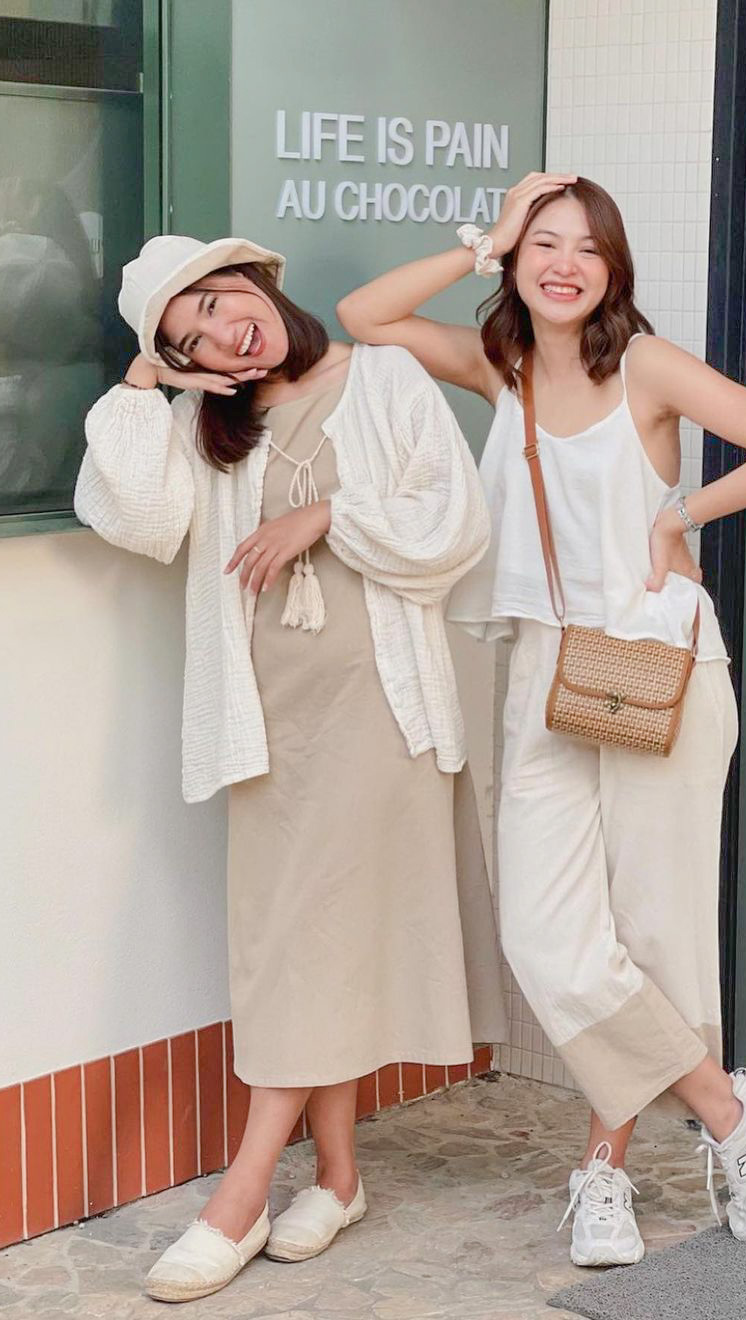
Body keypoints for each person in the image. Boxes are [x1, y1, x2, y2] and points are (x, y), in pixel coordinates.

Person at [338, 173, 746, 1267]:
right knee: (545, 936)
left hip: (656, 669)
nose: (563, 264)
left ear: (615, 270)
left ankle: (603, 1174)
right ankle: (733, 1110)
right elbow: (365, 316)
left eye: (586, 248)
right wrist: (485, 236)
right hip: (544, 672)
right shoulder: (500, 367)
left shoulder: (643, 366)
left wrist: (679, 513)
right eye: (542, 244)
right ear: (516, 260)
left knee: (650, 931)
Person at [74, 234, 506, 1299]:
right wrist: (146, 383)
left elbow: (454, 526)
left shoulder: (386, 377)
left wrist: (327, 515)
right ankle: (340, 1177)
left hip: (380, 717)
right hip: (266, 727)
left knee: (310, 940)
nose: (227, 332)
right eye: (192, 335)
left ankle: (242, 1192)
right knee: (301, 943)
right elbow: (135, 517)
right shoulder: (208, 429)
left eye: (222, 302)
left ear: (257, 284)